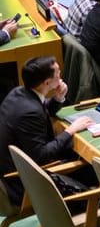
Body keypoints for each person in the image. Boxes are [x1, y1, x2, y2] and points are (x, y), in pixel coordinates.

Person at [0, 57, 93, 198]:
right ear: (47, 82)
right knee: (88, 166)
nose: (61, 76)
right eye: (58, 74)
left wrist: (58, 99)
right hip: (21, 185)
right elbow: (41, 155)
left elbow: (41, 109)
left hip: (11, 168)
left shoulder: (18, 92)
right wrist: (70, 130)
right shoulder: (30, 112)